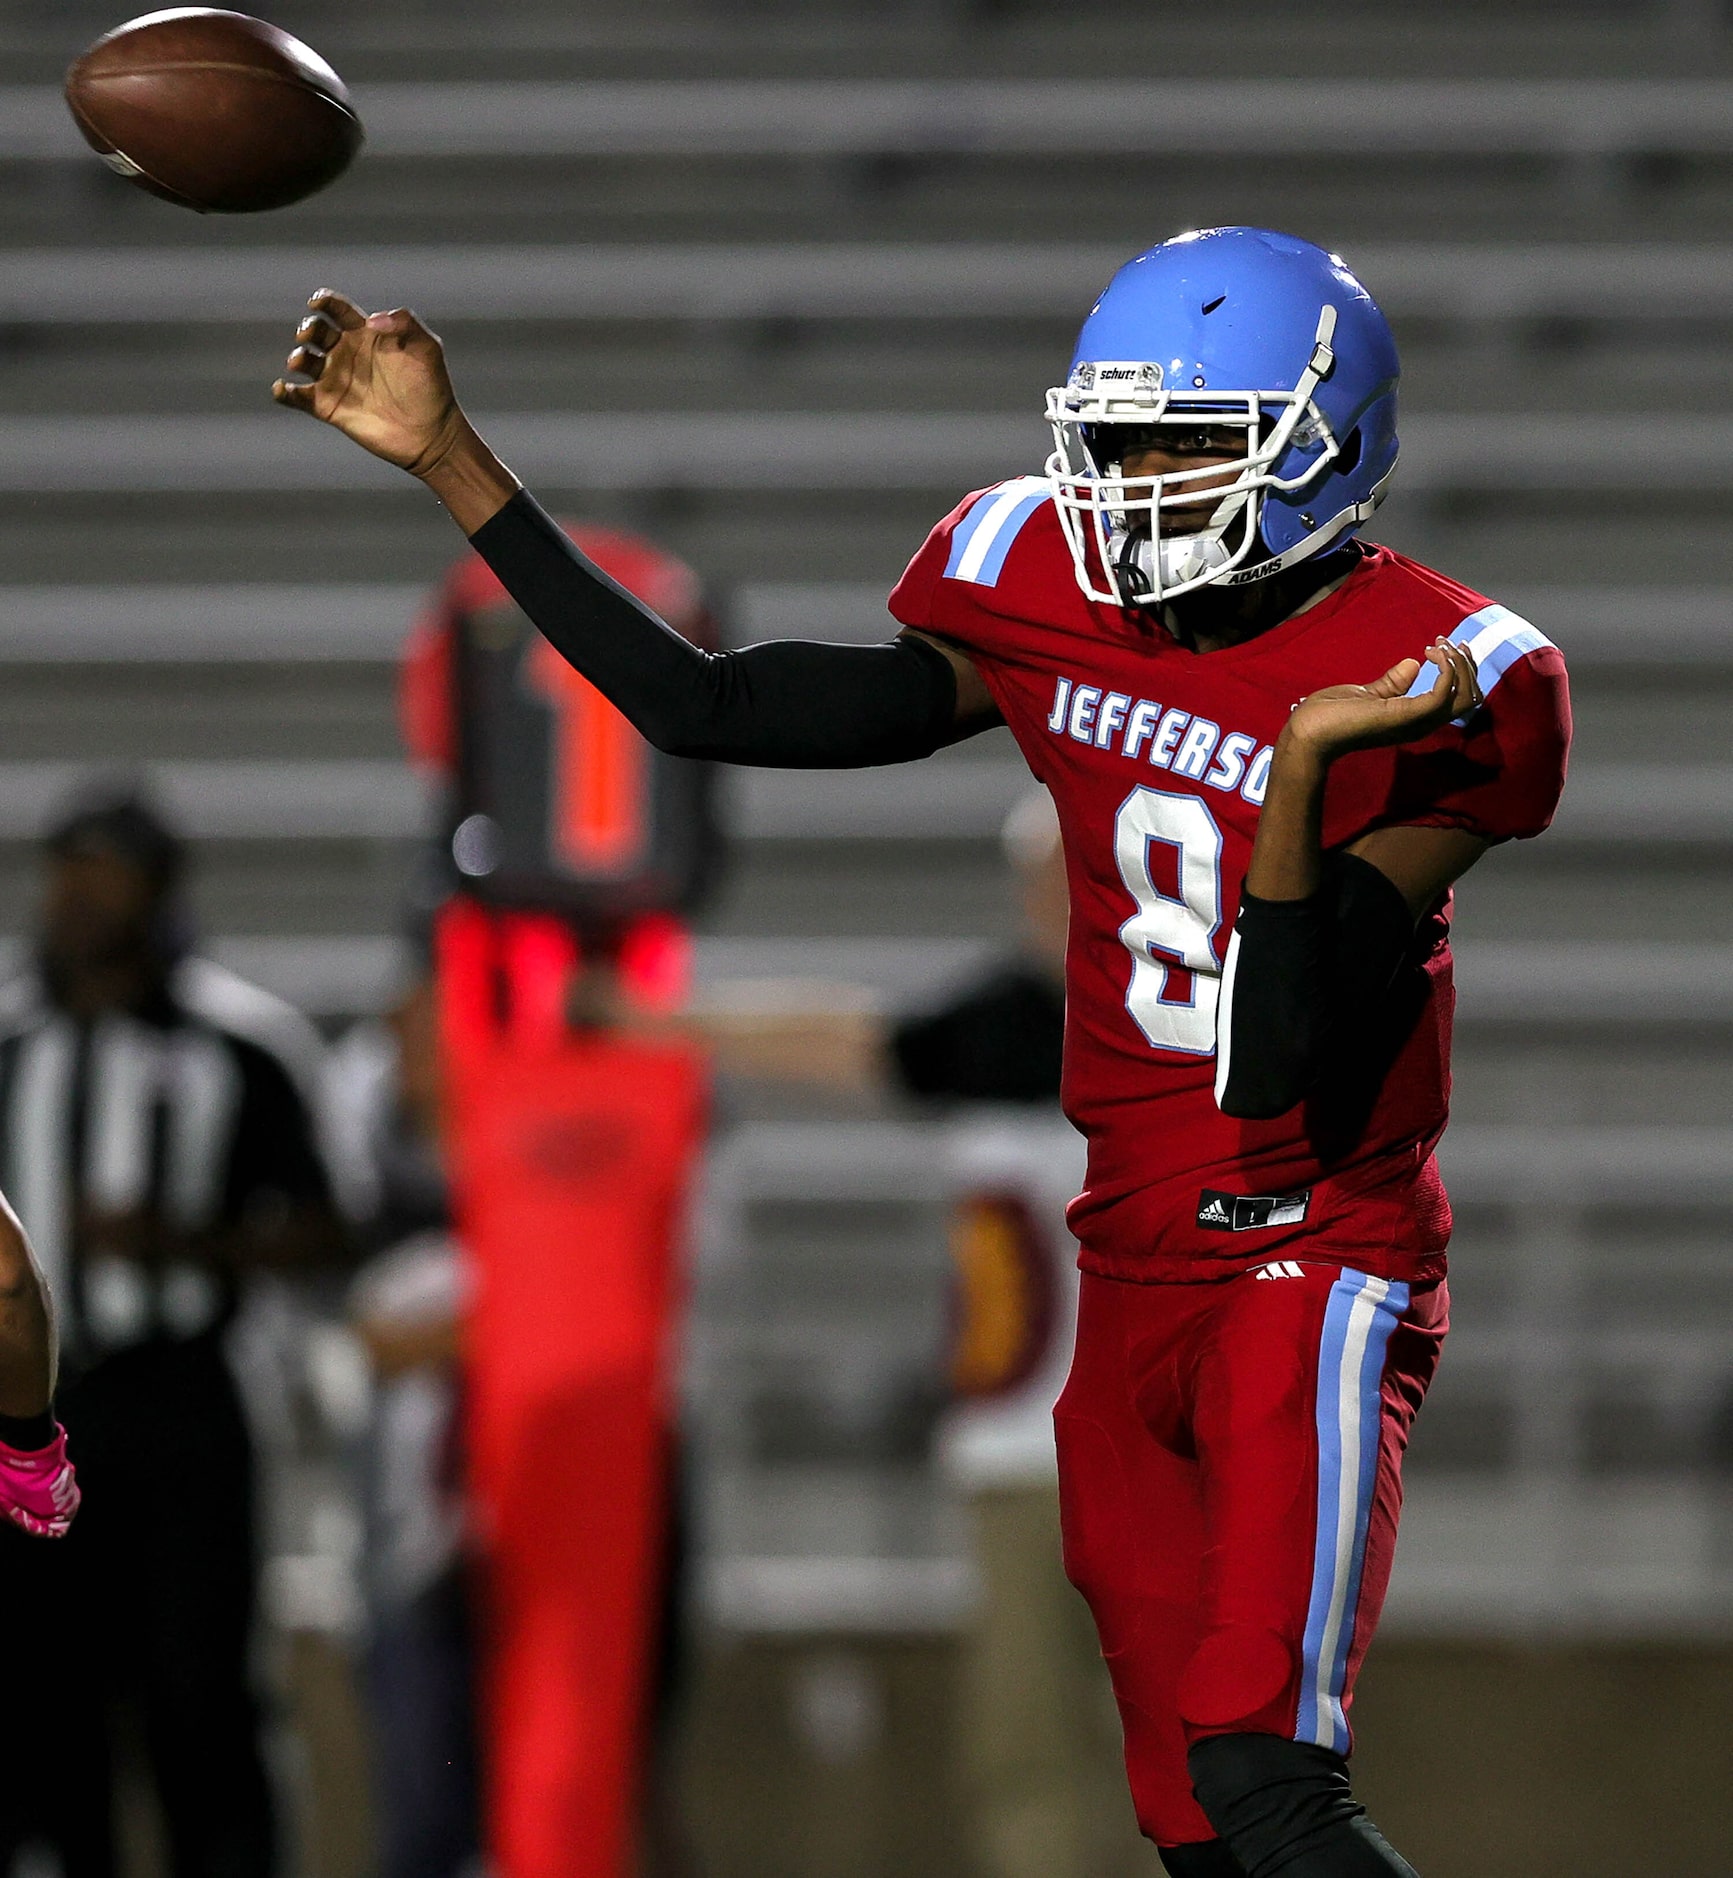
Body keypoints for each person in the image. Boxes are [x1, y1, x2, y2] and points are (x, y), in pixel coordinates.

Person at [272, 225, 1572, 1877]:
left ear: (1319, 446)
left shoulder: (1450, 678)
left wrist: (1308, 771)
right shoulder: (1040, 577)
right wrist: (455, 461)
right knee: (1184, 1821)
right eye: (1112, 440)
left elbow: (1276, 1040)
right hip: (1134, 1261)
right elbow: (707, 708)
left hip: (1310, 1254)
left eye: (1182, 443)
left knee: (1266, 1776)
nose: (1129, 484)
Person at [0, 784, 347, 1878]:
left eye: (106, 871)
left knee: (199, 1698)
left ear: (158, 893)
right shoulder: (8, 1041)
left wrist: (188, 1244)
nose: (79, 895)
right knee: (43, 1698)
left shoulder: (243, 1044)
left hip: (184, 1401)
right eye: (68, 867)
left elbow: (328, 1226)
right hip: (32, 1412)